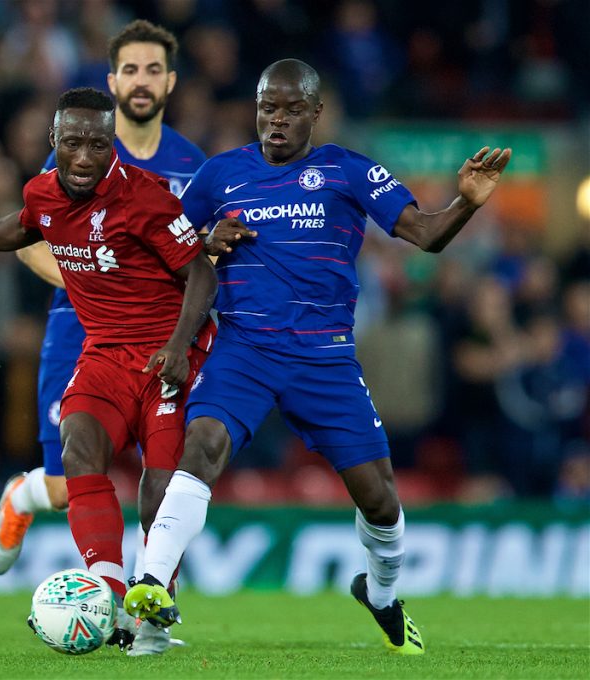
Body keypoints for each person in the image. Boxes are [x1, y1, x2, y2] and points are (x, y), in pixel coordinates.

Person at [124, 59, 511, 656]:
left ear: (315, 112)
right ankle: (150, 585)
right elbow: (168, 254)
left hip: (324, 360)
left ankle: (380, 596)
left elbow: (426, 235)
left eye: (290, 109)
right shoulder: (219, 175)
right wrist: (202, 243)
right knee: (201, 442)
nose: (275, 121)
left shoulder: (347, 170)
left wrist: (466, 203)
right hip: (244, 347)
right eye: (266, 108)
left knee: (380, 502)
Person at [0, 87, 217, 650]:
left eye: (96, 144)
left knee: (161, 485)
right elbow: (26, 224)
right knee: (78, 444)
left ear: (112, 148)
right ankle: (105, 587)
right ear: (53, 142)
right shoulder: (44, 191)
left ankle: (151, 617)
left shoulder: (145, 199)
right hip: (103, 351)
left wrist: (179, 344)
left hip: (167, 354)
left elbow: (201, 273)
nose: (82, 156)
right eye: (71, 142)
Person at [0, 20, 206, 656]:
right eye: (129, 70)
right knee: (64, 483)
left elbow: (194, 258)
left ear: (170, 81)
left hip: (159, 337)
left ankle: (146, 608)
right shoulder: (73, 152)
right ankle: (22, 494)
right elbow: (31, 238)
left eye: (153, 70)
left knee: (161, 476)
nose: (141, 81)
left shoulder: (192, 164)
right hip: (78, 329)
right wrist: (94, 278)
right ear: (112, 81)